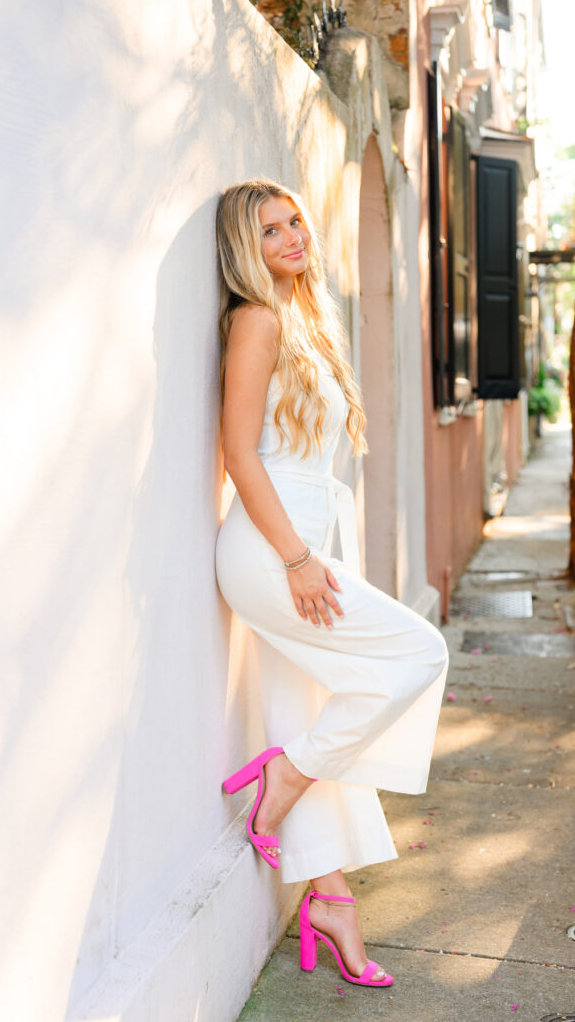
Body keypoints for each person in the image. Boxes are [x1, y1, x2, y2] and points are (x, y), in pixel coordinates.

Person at [215, 178, 448, 988]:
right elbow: (240, 454)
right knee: (419, 653)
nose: (291, 237)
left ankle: (331, 902)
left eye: (295, 221)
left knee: (308, 709)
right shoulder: (257, 320)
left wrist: (311, 553)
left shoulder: (305, 320)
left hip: (302, 543)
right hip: (272, 549)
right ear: (246, 249)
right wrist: (297, 560)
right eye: (269, 230)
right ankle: (287, 776)